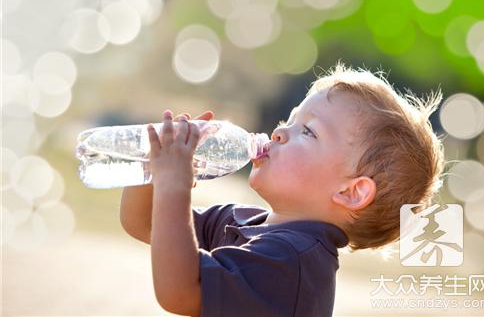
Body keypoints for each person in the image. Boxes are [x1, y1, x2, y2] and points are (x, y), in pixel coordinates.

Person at [119, 62, 445, 317]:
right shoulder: (246, 222)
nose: (278, 133)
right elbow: (145, 222)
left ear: (351, 192)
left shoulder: (292, 261)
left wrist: (174, 186)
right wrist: (153, 166)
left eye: (307, 131)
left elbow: (179, 292)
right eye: (289, 119)